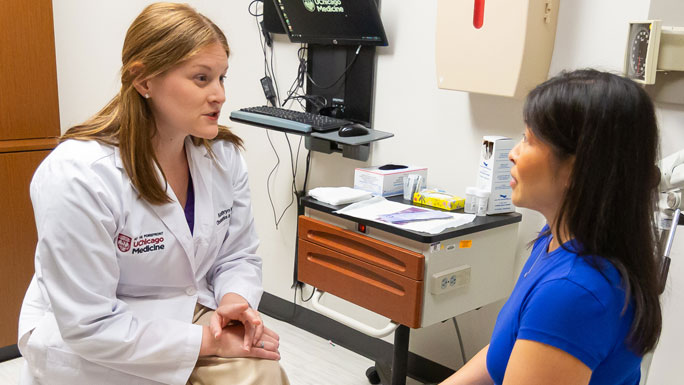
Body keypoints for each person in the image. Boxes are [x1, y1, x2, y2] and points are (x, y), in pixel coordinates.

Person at [17, 3, 289, 385]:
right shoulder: (79, 174)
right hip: (96, 335)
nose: (220, 95)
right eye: (201, 78)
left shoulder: (222, 156)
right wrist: (211, 344)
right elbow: (88, 324)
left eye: (222, 78)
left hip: (185, 309)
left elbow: (238, 255)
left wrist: (233, 304)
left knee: (262, 371)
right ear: (143, 81)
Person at [441, 69, 663, 385]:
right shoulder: (557, 241)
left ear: (577, 168)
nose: (514, 154)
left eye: (530, 139)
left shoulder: (572, 292)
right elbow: (504, 354)